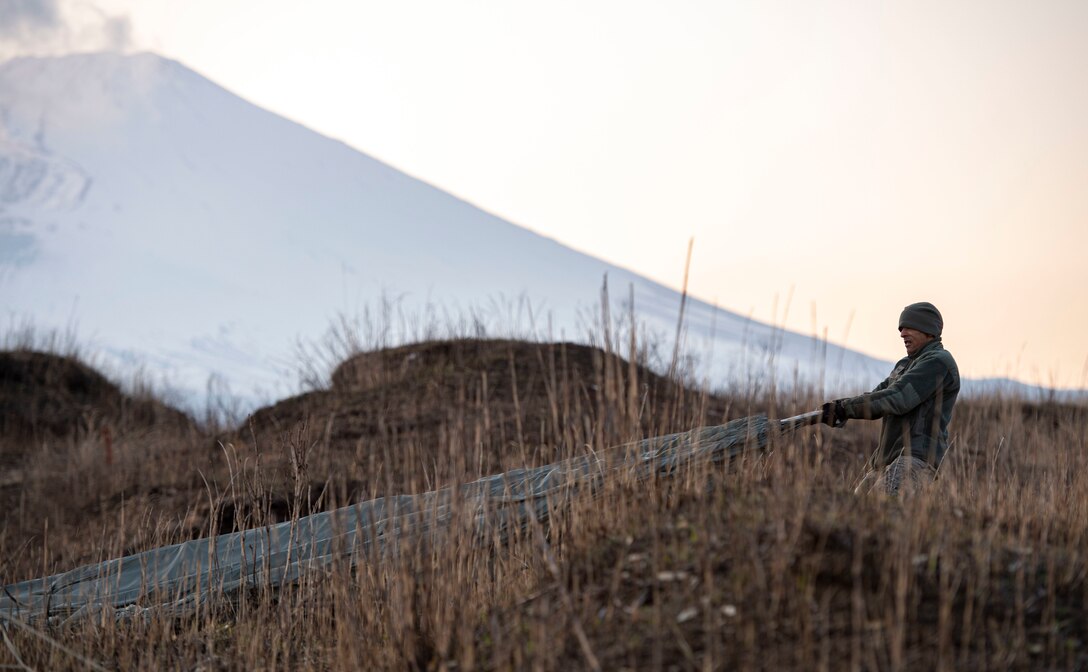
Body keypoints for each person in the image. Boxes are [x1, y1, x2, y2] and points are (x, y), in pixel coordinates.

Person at [821, 302, 960, 495]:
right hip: (885, 460)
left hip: (915, 459)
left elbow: (898, 398)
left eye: (908, 327)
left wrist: (846, 408)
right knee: (856, 508)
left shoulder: (938, 362)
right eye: (901, 328)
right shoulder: (905, 365)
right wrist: (840, 408)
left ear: (928, 330)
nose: (902, 333)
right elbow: (878, 396)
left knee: (882, 514)